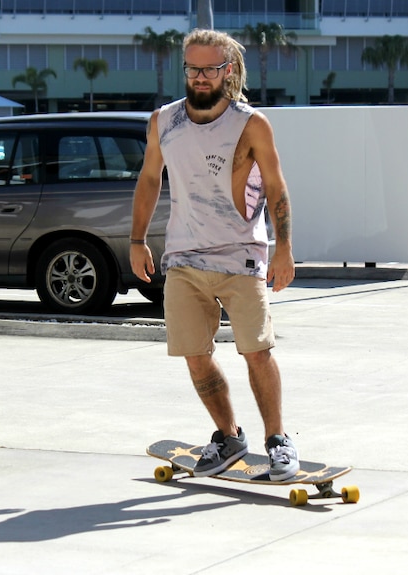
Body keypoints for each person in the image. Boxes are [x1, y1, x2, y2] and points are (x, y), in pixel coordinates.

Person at [129, 29, 299, 481]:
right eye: (192, 68)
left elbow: (277, 188)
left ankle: (279, 441)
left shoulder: (251, 124)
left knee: (256, 351)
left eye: (209, 69)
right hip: (183, 256)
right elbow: (149, 180)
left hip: (241, 255)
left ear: (228, 71)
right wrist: (136, 239)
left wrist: (283, 248)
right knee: (194, 353)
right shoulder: (163, 122)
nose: (200, 77)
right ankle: (227, 436)